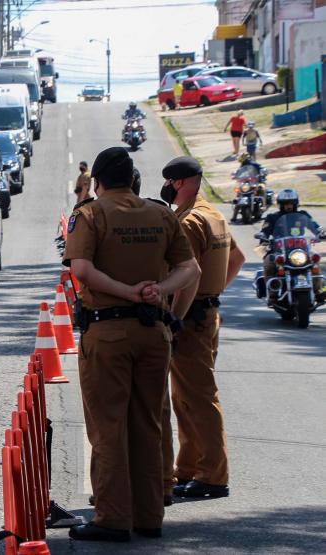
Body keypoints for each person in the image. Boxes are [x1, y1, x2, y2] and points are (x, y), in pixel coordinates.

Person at [64, 147, 200, 542]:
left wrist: (126, 291)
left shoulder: (89, 214)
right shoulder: (160, 213)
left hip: (108, 334)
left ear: (99, 181)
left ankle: (112, 517)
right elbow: (189, 269)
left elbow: (81, 270)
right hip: (154, 332)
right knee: (148, 424)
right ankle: (149, 515)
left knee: (109, 427)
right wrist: (157, 291)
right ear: (132, 178)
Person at [157, 156, 245, 502]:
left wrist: (176, 317)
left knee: (199, 397)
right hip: (207, 313)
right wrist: (214, 292)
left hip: (191, 317)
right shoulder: (214, 214)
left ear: (178, 183)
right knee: (187, 396)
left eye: (169, 182)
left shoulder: (191, 221)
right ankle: (190, 468)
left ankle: (213, 475)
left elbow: (187, 274)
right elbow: (238, 258)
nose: (166, 188)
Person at [257, 189, 324, 298]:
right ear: (280, 205)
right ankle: (273, 291)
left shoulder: (303, 215)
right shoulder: (272, 217)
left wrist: (320, 232)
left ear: (296, 204)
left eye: (291, 203)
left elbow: (313, 225)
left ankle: (318, 289)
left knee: (315, 259)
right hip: (279, 250)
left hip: (301, 249)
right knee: (268, 263)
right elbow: (264, 230)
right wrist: (263, 235)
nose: (288, 206)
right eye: (285, 204)